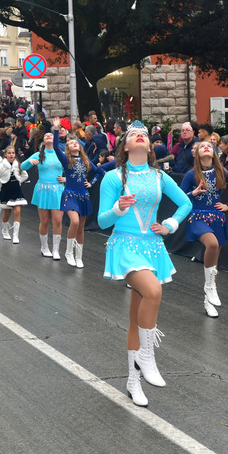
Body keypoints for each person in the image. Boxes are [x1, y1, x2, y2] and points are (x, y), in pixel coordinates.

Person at [97, 120, 193, 407]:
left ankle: (133, 381)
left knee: (135, 318)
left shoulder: (160, 176)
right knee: (152, 291)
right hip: (125, 245)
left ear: (150, 146)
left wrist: (171, 224)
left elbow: (185, 203)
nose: (139, 135)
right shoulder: (113, 177)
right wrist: (117, 208)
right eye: (133, 134)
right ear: (125, 146)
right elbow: (102, 220)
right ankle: (147, 356)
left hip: (152, 247)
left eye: (144, 134)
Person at [180, 141, 228, 318]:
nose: (206, 148)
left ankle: (208, 302)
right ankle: (209, 287)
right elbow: (179, 197)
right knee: (212, 244)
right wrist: (193, 194)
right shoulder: (191, 174)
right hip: (197, 217)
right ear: (197, 154)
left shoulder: (221, 172)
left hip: (217, 218)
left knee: (214, 261)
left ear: (214, 152)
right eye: (202, 146)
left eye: (209, 146)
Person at [52, 117, 105, 268]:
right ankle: (68, 252)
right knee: (74, 222)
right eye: (70, 143)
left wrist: (91, 182)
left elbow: (99, 172)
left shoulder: (86, 161)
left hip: (83, 195)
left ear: (79, 146)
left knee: (81, 227)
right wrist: (56, 129)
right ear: (68, 149)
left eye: (75, 142)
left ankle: (79, 256)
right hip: (70, 194)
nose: (74, 144)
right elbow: (56, 147)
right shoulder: (66, 160)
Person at [21, 132, 66, 259]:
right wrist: (29, 161)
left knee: (58, 220)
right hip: (43, 190)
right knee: (44, 221)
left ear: (55, 139)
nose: (48, 136)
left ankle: (56, 250)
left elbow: (73, 171)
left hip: (58, 190)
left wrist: (66, 179)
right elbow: (22, 166)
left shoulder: (61, 154)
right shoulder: (38, 154)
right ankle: (44, 247)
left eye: (51, 135)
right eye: (46, 135)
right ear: (43, 141)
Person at [0, 145, 29, 243]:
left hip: (16, 191)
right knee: (7, 212)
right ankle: (5, 230)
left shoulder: (18, 165)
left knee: (17, 211)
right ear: (5, 154)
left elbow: (25, 175)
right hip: (6, 191)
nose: (11, 155)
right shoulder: (2, 166)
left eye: (13, 153)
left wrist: (19, 181)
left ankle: (15, 235)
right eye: (9, 153)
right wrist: (2, 184)